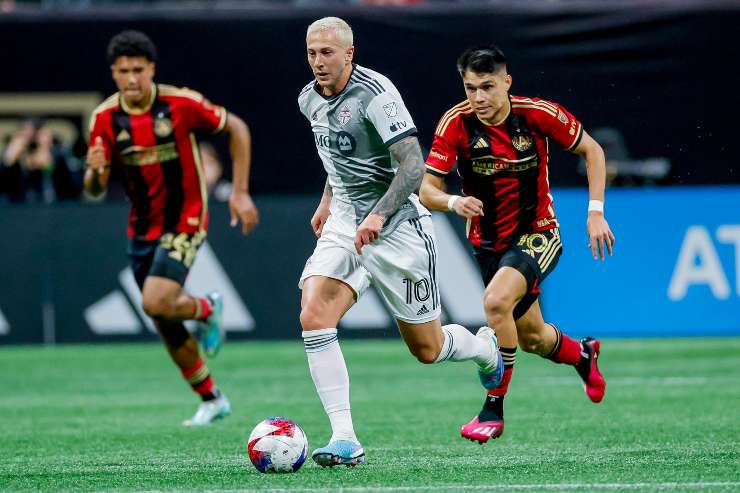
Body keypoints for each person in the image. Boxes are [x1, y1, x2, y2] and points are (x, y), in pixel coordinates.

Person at [297, 17, 503, 468]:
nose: (318, 62)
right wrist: (328, 200)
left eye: (327, 53)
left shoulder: (376, 94)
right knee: (314, 313)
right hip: (347, 222)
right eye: (312, 53)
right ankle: (344, 436)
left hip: (398, 227)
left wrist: (378, 213)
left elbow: (412, 167)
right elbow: (337, 159)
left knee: (426, 349)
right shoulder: (308, 99)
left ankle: (484, 348)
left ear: (349, 54)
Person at [420, 45, 615, 444]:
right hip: (487, 242)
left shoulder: (538, 115)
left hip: (538, 232)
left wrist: (595, 211)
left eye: (488, 87)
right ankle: (582, 354)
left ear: (507, 82)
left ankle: (494, 406)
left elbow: (592, 150)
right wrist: (454, 202)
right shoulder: (455, 124)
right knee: (532, 339)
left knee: (494, 304)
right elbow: (427, 190)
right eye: (471, 88)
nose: (479, 98)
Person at [84, 30, 259, 426]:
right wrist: (95, 170)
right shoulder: (104, 119)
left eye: (138, 70)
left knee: (154, 302)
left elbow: (238, 129)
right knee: (163, 317)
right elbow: (94, 189)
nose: (131, 79)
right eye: (123, 71)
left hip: (185, 216)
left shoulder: (180, 103)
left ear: (152, 70)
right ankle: (212, 398)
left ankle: (207, 307)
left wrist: (241, 192)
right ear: (113, 73)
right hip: (141, 226)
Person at [1, 117, 82, 203]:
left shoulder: (58, 155)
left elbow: (75, 187)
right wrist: (9, 160)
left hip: (53, 207)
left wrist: (49, 163)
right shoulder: (12, 160)